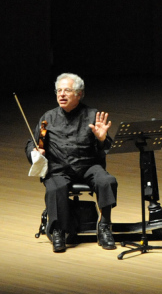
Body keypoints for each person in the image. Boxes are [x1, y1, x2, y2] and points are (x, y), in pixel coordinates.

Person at [25, 73, 118, 253]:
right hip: (58, 168)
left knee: (107, 181)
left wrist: (101, 139)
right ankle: (58, 230)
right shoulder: (49, 117)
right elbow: (32, 142)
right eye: (59, 90)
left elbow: (106, 145)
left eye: (67, 90)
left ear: (79, 94)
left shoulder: (92, 115)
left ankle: (105, 226)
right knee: (55, 187)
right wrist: (34, 151)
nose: (61, 94)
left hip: (88, 165)